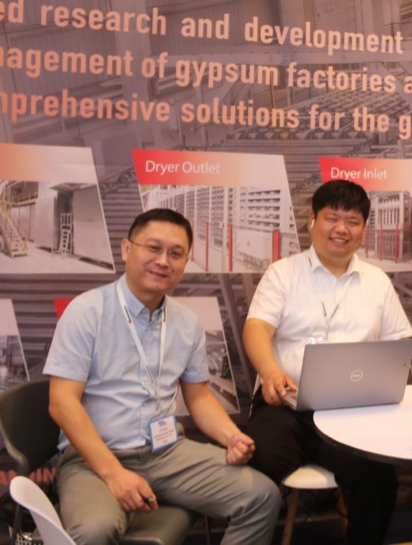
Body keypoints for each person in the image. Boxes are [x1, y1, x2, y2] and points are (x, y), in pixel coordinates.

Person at [44, 208, 280, 545]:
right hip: (92, 458)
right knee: (95, 530)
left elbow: (199, 398)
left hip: (166, 452)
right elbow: (61, 403)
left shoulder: (186, 322)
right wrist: (114, 473)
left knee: (262, 496)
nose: (163, 261)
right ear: (127, 249)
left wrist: (231, 437)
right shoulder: (86, 312)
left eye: (176, 253)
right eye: (153, 248)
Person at [242, 178, 412, 545]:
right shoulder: (282, 273)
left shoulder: (377, 282)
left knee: (377, 475)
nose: (341, 229)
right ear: (312, 220)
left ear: (363, 229)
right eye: (332, 218)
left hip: (350, 414)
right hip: (286, 406)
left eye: (352, 221)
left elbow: (399, 342)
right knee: (260, 462)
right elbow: (256, 328)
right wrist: (270, 371)